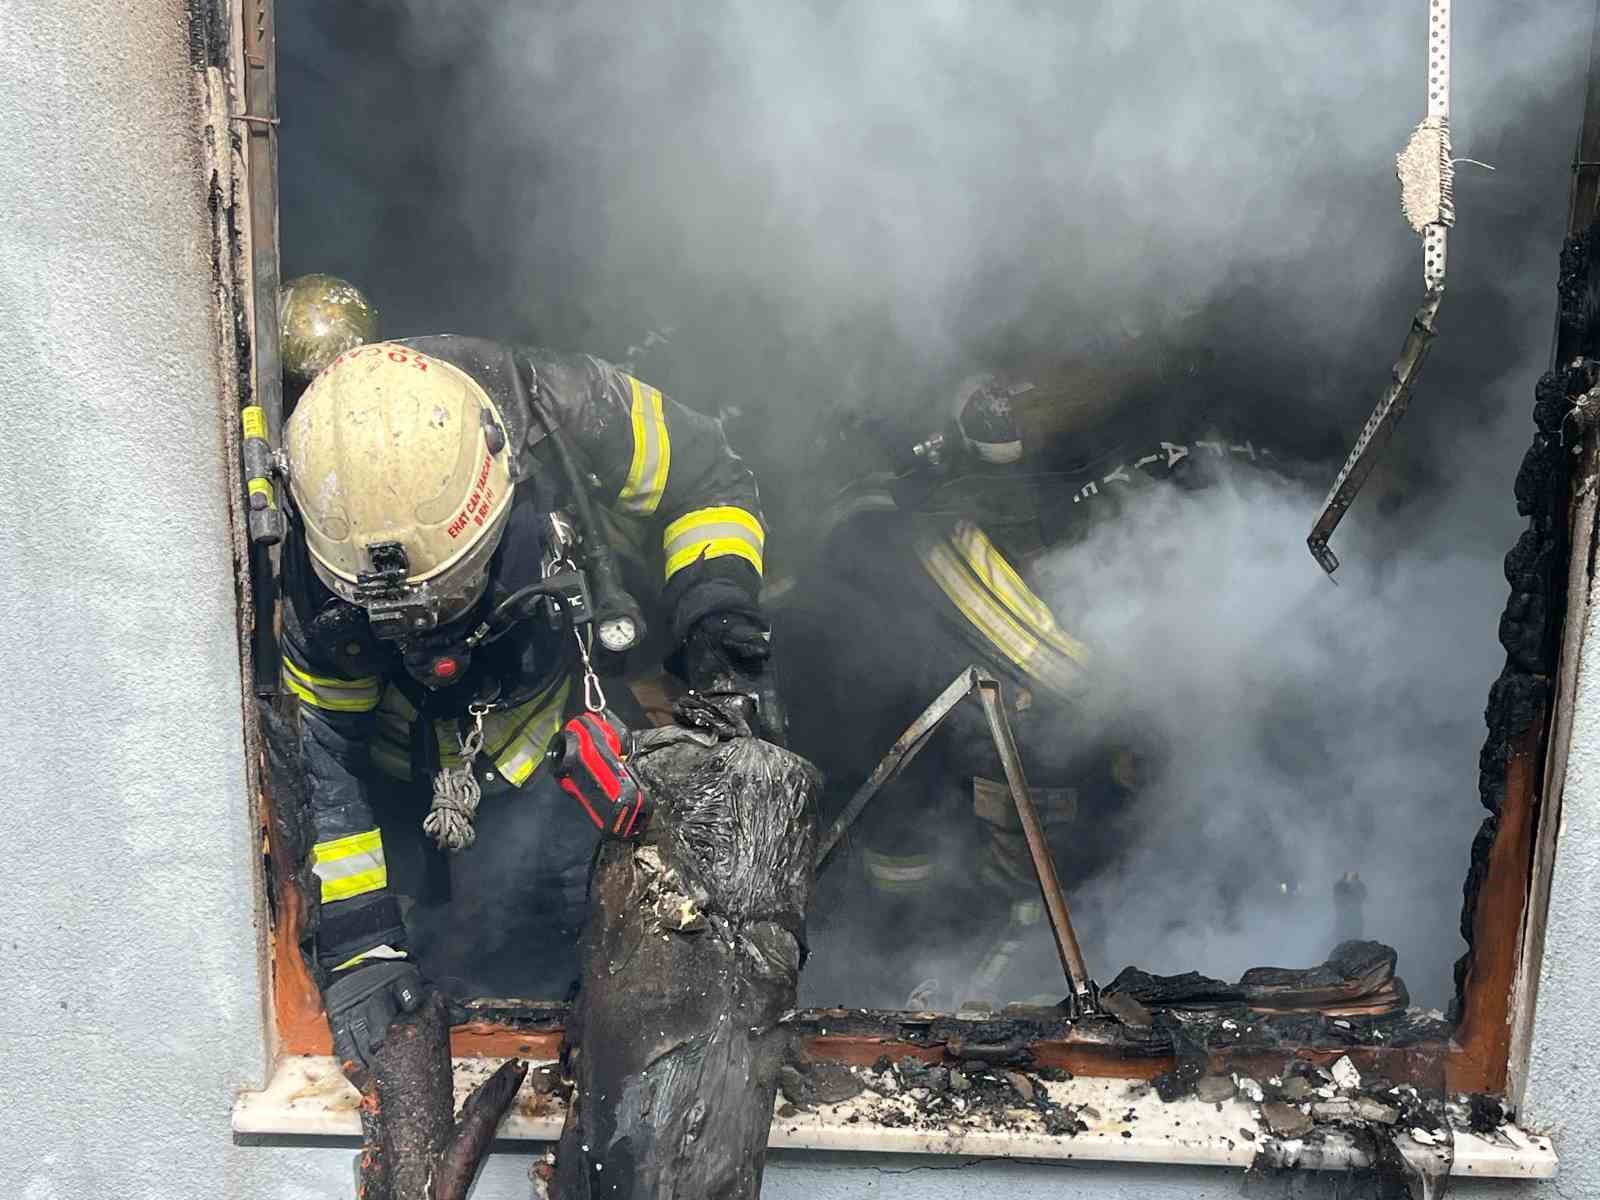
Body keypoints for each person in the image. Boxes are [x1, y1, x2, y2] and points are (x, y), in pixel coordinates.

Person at [277, 334, 775, 1076]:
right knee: (415, 972)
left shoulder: (566, 407)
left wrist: (715, 612)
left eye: (448, 598)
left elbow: (708, 478)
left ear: (501, 481)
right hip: (395, 780)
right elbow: (327, 756)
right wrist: (361, 945)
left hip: (549, 744)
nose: (433, 640)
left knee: (582, 942)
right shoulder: (313, 541)